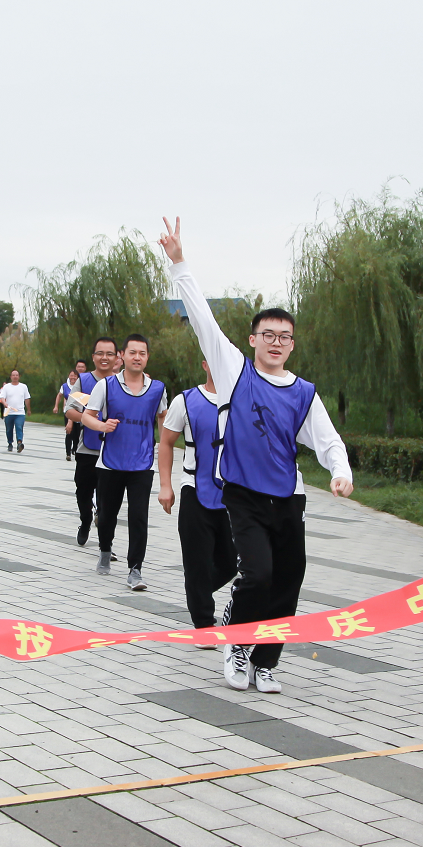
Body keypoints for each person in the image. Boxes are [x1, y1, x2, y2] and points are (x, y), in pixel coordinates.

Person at [159, 220, 353, 696]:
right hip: (244, 495)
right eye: (268, 334)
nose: (276, 342)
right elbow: (203, 320)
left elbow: (327, 439)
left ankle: (266, 662)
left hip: (288, 499)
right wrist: (179, 263)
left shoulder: (303, 392)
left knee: (287, 582)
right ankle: (236, 643)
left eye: (284, 336)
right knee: (258, 574)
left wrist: (340, 471)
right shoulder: (234, 372)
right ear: (253, 340)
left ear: (292, 344)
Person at [72, 335, 167, 589]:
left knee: (139, 516)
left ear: (147, 357)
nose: (137, 357)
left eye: (142, 353)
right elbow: (87, 415)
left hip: (143, 463)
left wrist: (164, 443)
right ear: (122, 356)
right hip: (110, 462)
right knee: (107, 514)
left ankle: (135, 569)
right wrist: (102, 425)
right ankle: (105, 549)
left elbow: (162, 417)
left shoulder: (157, 388)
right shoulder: (106, 386)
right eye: (132, 352)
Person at [158, 359, 235, 633]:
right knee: (197, 560)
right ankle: (203, 623)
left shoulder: (243, 400)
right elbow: (166, 442)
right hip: (194, 488)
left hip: (234, 494)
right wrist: (165, 486)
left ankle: (196, 589)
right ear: (204, 364)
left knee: (230, 563)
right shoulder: (186, 400)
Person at [69, 339, 120, 544]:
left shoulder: (122, 383)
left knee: (108, 498)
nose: (104, 358)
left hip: (113, 450)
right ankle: (85, 519)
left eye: (109, 354)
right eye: (100, 353)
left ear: (117, 357)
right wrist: (92, 421)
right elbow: (70, 410)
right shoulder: (84, 381)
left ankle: (105, 546)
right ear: (93, 357)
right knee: (83, 491)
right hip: (88, 448)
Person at [57, 359, 93, 459]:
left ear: (85, 368)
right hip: (72, 412)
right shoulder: (68, 385)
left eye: (82, 367)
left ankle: (77, 450)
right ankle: (68, 453)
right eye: (78, 367)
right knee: (70, 432)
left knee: (79, 433)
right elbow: (66, 399)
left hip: (84, 411)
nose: (80, 368)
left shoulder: (88, 381)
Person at [0, 369, 32, 452]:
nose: (15, 377)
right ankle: (10, 443)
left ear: (19, 377)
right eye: (13, 375)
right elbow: (2, 397)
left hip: (20, 412)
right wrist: (4, 403)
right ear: (11, 377)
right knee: (9, 429)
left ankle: (19, 443)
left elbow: (27, 398)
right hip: (9, 412)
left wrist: (28, 409)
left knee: (19, 427)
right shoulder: (6, 387)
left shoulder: (23, 387)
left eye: (17, 375)